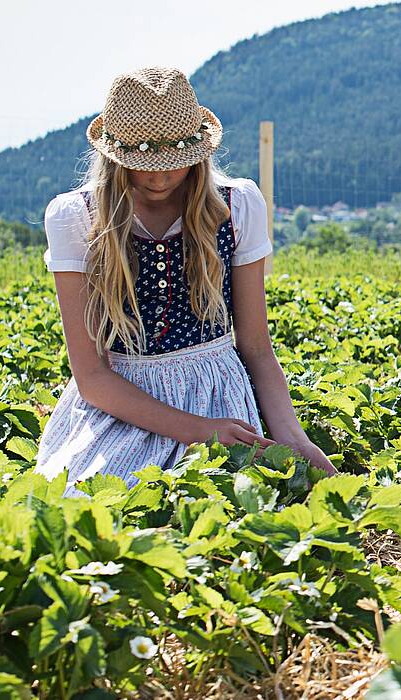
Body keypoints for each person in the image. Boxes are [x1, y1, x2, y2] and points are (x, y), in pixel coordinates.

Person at [35, 67, 334, 495]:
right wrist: (200, 431)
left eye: (172, 163)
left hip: (216, 391)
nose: (157, 178)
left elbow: (256, 348)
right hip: (121, 402)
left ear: (198, 153)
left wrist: (295, 439)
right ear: (114, 158)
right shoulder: (78, 218)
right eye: (142, 164)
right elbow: (92, 377)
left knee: (230, 506)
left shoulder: (236, 205)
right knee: (91, 501)